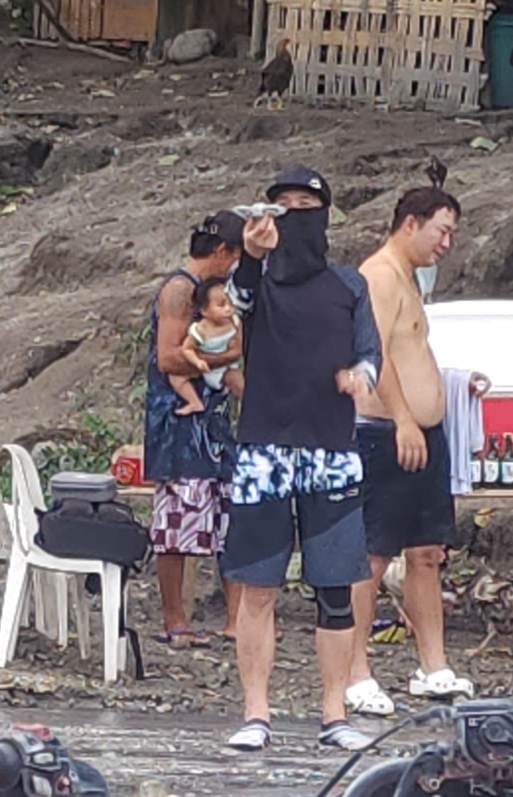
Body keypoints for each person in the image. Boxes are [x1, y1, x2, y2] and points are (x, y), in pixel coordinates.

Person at [220, 165, 384, 754]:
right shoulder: (257, 279)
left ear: (325, 216)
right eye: (281, 206)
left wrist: (359, 377)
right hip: (263, 451)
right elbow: (237, 299)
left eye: (305, 206)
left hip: (333, 452)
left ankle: (334, 712)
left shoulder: (349, 284)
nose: (293, 216)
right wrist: (251, 254)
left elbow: (370, 354)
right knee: (257, 587)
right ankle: (255, 712)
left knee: (336, 590)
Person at [349, 184, 471, 712]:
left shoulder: (411, 278)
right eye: (442, 231)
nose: (446, 243)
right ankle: (355, 670)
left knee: (426, 552)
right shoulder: (379, 275)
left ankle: (433, 665)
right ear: (410, 224)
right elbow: (373, 353)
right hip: (386, 432)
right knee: (373, 555)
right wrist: (402, 418)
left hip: (426, 432)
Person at [143, 212, 246, 642]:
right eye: (236, 257)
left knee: (230, 511)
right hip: (178, 420)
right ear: (222, 252)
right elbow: (169, 358)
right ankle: (174, 617)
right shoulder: (179, 291)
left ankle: (237, 619)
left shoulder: (218, 294)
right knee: (177, 515)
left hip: (216, 420)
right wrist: (227, 358)